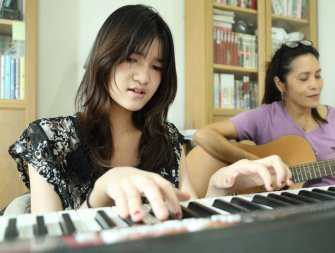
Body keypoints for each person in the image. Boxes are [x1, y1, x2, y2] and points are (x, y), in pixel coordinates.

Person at [7, 5, 292, 221]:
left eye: (156, 67)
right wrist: (100, 193)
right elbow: (45, 244)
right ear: (104, 58)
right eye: (131, 59)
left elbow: (188, 222)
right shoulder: (48, 139)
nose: (144, 77)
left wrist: (220, 184)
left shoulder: (166, 138)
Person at [193, 40, 335, 188]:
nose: (315, 84)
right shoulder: (264, 116)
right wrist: (258, 164)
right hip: (279, 207)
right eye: (304, 78)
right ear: (280, 84)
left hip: (329, 206)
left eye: (318, 75)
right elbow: (203, 135)